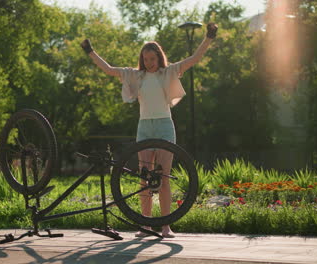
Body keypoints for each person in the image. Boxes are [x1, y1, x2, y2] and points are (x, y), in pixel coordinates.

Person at [81, 23, 218, 238]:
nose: (149, 62)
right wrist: (90, 51)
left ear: (159, 57)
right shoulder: (136, 76)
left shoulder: (169, 71)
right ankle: (146, 226)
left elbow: (193, 59)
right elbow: (109, 69)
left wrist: (209, 37)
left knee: (163, 177)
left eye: (152, 59)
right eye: (145, 59)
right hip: (144, 128)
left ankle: (165, 226)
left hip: (164, 126)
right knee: (144, 178)